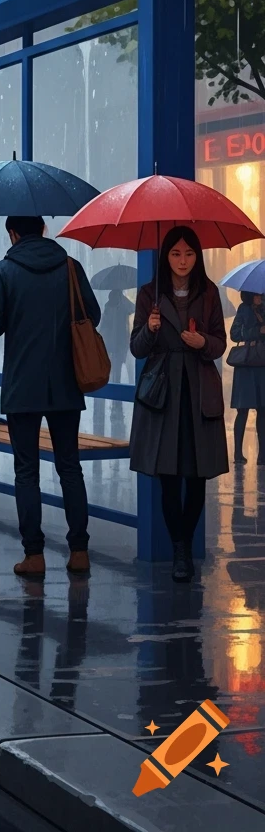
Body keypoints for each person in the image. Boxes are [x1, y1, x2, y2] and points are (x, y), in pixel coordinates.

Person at [0, 215, 100, 578]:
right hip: (66, 384)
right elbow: (91, 314)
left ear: (13, 234)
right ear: (44, 230)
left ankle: (34, 556)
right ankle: (79, 551)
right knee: (69, 467)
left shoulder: (4, 271)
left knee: (26, 472)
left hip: (22, 387)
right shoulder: (70, 266)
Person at [130, 227, 228, 582]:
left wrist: (202, 341)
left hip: (199, 391)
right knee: (168, 476)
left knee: (197, 474)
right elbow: (137, 348)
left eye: (189, 254)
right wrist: (150, 329)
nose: (183, 261)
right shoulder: (149, 294)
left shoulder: (209, 293)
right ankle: (179, 549)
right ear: (166, 257)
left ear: (197, 256)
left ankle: (185, 542)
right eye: (175, 254)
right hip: (164, 394)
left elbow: (220, 343)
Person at [230, 291, 265, 464]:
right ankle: (237, 453)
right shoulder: (243, 309)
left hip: (262, 364)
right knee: (242, 410)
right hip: (246, 364)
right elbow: (235, 334)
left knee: (263, 409)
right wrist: (258, 330)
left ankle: (263, 455)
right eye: (257, 294)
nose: (260, 297)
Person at [99, 287, 134, 385]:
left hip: (109, 344)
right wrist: (124, 298)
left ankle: (112, 395)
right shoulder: (123, 305)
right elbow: (133, 308)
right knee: (117, 374)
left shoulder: (108, 306)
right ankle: (117, 399)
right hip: (120, 343)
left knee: (110, 373)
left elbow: (104, 325)